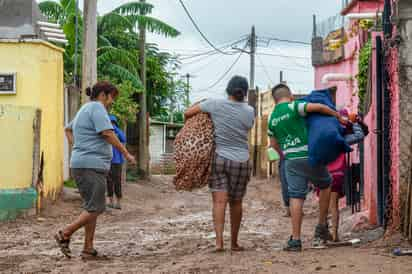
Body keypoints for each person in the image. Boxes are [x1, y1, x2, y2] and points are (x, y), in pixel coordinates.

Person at [55, 81, 136, 259]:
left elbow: (68, 129)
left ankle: (88, 249)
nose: (111, 102)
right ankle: (65, 233)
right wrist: (126, 154)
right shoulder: (97, 108)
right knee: (97, 207)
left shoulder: (85, 109)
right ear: (103, 95)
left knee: (91, 207)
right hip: (90, 166)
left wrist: (78, 147)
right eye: (111, 98)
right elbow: (107, 133)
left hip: (84, 164)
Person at [268, 83, 346, 252]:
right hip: (309, 156)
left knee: (296, 197)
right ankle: (320, 228)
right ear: (289, 95)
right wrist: (337, 116)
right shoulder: (294, 106)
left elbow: (273, 144)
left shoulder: (272, 117)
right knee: (326, 184)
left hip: (291, 159)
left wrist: (286, 154)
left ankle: (295, 240)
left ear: (274, 100)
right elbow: (317, 107)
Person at [184, 75, 255, 252]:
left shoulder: (214, 104)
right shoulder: (249, 111)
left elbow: (187, 113)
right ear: (245, 93)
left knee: (219, 202)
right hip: (242, 161)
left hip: (220, 158)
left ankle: (219, 243)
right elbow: (248, 127)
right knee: (236, 202)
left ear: (228, 90)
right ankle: (234, 243)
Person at [321, 110, 368, 242]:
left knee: (323, 205)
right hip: (336, 174)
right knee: (334, 205)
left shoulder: (320, 138)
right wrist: (353, 123)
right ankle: (335, 235)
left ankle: (322, 235)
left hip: (321, 173)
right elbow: (360, 136)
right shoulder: (341, 139)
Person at [107, 114, 126, 210]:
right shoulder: (105, 132)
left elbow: (124, 139)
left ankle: (118, 202)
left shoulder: (118, 132)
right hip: (108, 160)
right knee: (109, 181)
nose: (111, 124)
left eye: (113, 123)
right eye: (110, 122)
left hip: (117, 161)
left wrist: (115, 129)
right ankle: (111, 201)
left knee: (117, 181)